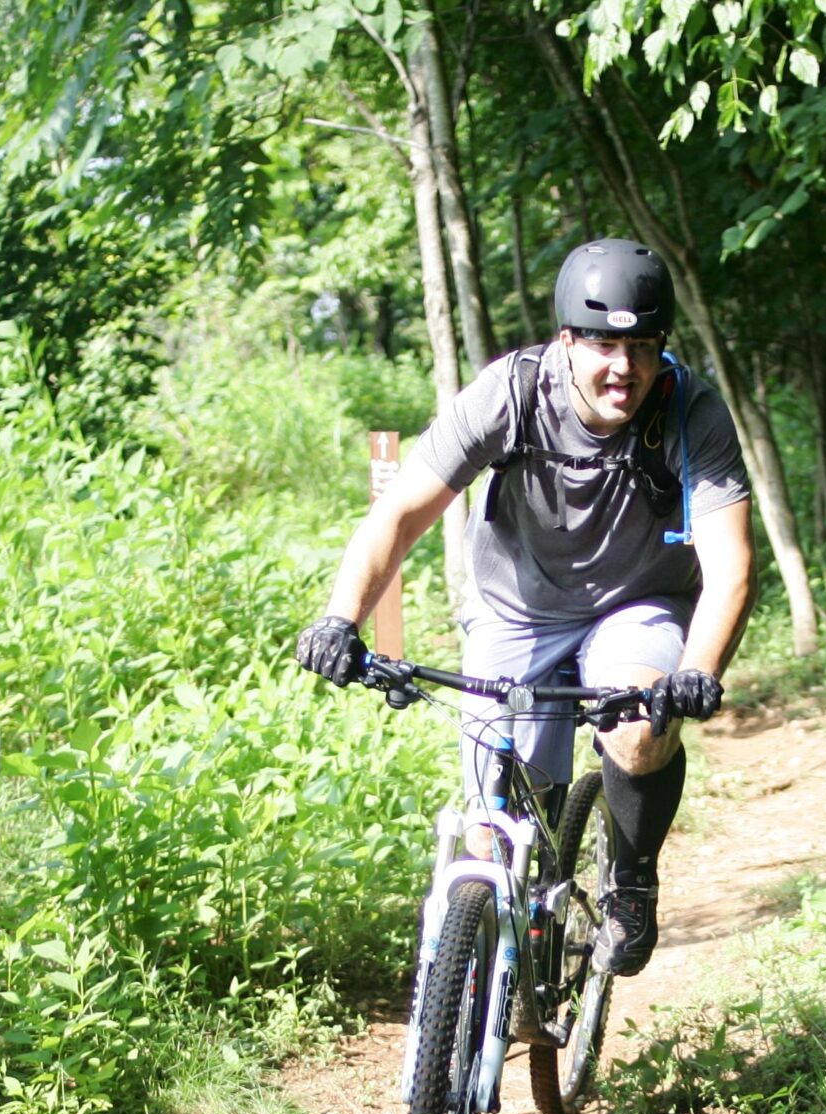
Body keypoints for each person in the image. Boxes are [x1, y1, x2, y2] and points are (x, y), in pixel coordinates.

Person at [293, 238, 755, 977]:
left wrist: (697, 668)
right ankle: (505, 973)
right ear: (566, 340)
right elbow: (401, 512)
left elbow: (731, 563)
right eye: (603, 343)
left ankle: (631, 880)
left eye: (641, 346)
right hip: (517, 609)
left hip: (638, 603)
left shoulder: (690, 412)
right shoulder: (511, 393)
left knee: (638, 735)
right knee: (496, 830)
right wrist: (339, 617)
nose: (623, 367)